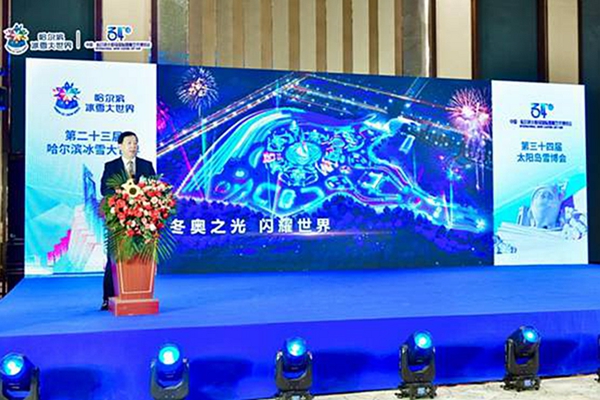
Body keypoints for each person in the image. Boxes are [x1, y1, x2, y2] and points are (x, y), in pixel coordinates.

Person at [100, 131, 156, 310]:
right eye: (129, 143)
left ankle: (139, 293)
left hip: (143, 220)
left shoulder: (146, 165)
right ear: (120, 146)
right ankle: (108, 297)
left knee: (141, 257)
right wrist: (123, 194)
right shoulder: (111, 166)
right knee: (114, 259)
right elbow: (104, 189)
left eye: (135, 143)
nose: (133, 146)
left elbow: (156, 188)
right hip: (119, 220)